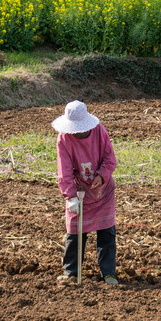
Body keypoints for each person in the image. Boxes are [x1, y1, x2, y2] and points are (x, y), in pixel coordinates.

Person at [52, 100, 118, 285]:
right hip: (79, 190)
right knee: (75, 232)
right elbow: (63, 171)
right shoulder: (64, 139)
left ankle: (108, 273)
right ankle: (70, 272)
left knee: (106, 232)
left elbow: (110, 158)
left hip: (102, 191)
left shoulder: (99, 131)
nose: (78, 132)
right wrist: (70, 196)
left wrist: (102, 175)